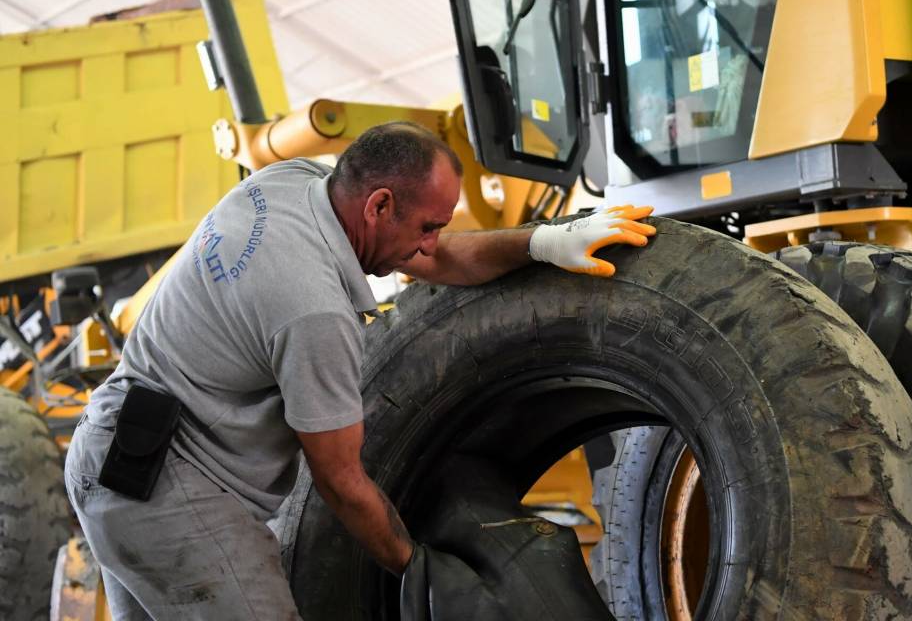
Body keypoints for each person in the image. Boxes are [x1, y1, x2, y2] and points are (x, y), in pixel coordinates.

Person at [62, 121, 656, 619]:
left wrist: (543, 244)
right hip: (169, 492)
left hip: (113, 455)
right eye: (428, 225)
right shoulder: (313, 310)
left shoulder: (291, 183)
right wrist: (421, 569)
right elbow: (340, 483)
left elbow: (436, 257)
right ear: (378, 205)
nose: (431, 243)